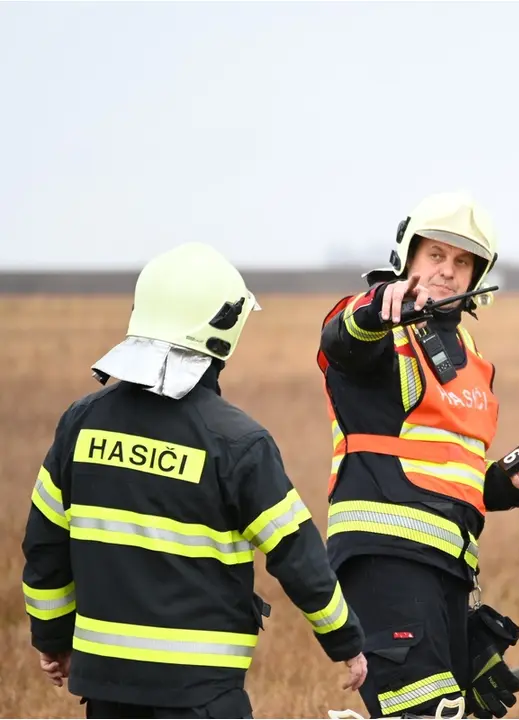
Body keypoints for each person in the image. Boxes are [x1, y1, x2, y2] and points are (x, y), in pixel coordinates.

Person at [20, 242, 368, 719]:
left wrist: (53, 639)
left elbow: (44, 548)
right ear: (224, 328)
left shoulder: (81, 425)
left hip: (105, 689)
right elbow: (296, 552)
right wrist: (346, 641)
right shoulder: (238, 442)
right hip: (202, 694)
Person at [316, 191, 519, 719]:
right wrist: (376, 310)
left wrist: (509, 483)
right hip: (386, 556)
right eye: (435, 256)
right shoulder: (383, 326)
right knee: (422, 712)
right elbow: (342, 342)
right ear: (408, 259)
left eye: (462, 261)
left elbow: (450, 473)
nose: (448, 271)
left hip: (446, 566)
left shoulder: (472, 359)